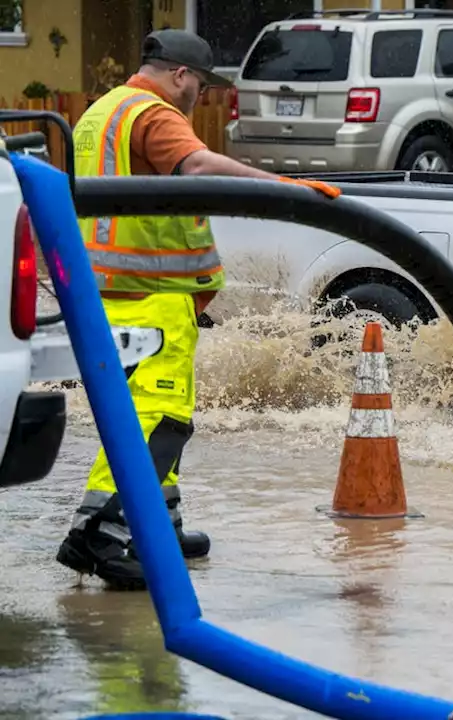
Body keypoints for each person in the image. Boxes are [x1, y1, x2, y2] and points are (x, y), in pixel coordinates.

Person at [55, 29, 342, 590]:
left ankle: (157, 525)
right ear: (180, 75)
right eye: (201, 85)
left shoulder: (103, 110)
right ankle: (100, 533)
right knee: (157, 417)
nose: (201, 97)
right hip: (148, 293)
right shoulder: (153, 112)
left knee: (141, 407)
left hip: (109, 288)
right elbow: (198, 166)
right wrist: (284, 187)